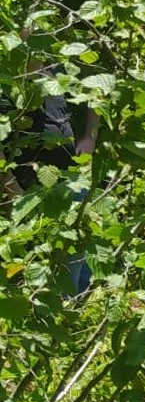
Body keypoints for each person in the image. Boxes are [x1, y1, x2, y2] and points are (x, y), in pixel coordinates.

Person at [2, 41, 99, 295]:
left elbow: (95, 95)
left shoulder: (57, 71)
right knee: (45, 271)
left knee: (80, 265)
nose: (32, 45)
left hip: (73, 181)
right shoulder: (7, 86)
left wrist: (89, 136)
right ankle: (58, 318)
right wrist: (12, 191)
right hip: (31, 195)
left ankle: (78, 315)